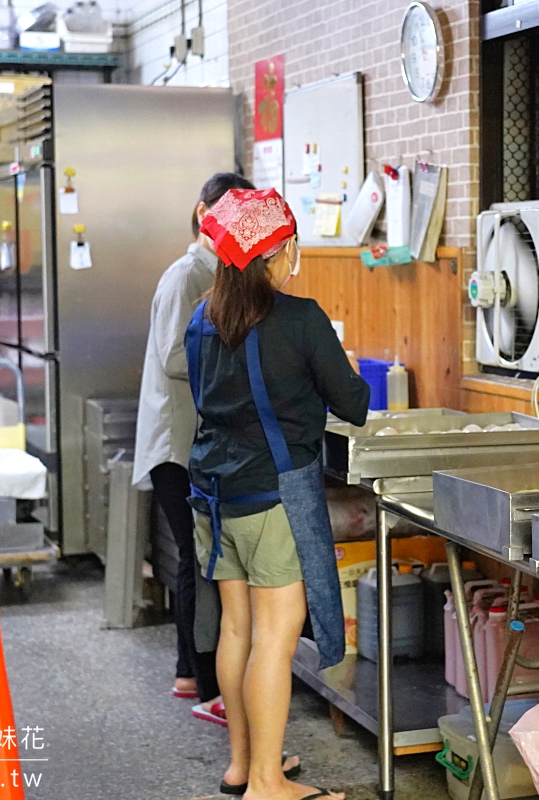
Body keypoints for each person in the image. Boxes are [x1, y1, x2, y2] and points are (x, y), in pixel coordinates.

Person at [185, 188, 368, 800]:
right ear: (280, 252)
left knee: (236, 630)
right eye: (292, 249)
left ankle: (242, 765)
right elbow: (354, 403)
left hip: (212, 491)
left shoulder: (201, 318)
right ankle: (268, 782)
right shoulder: (299, 317)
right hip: (271, 497)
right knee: (275, 637)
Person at [132, 171, 255, 719]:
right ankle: (208, 688)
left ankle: (191, 675)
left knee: (197, 561)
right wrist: (240, 357)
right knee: (201, 564)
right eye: (225, 215)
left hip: (189, 442)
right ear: (203, 213)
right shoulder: (187, 276)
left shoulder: (216, 273)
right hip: (175, 445)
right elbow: (174, 358)